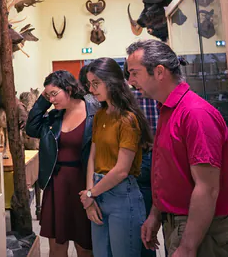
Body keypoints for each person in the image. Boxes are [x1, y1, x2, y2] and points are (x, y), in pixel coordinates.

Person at [126, 40, 228, 257]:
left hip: (200, 230)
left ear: (159, 72)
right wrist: (155, 215)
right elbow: (169, 173)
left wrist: (187, 247)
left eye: (134, 73)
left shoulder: (195, 114)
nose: (130, 81)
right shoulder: (169, 110)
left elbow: (207, 188)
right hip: (177, 224)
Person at [79, 57, 154, 257]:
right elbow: (92, 157)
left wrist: (90, 194)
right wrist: (89, 194)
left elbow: (121, 170)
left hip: (122, 196)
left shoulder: (127, 119)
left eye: (96, 83)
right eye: (89, 84)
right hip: (97, 192)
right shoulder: (100, 115)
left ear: (111, 81)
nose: (91, 89)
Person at [26, 70, 99, 257]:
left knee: (85, 245)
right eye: (48, 95)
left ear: (69, 88)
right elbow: (32, 128)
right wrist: (42, 99)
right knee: (57, 246)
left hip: (83, 182)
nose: (51, 99)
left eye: (54, 94)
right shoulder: (54, 116)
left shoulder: (93, 111)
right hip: (56, 183)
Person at [125, 62, 160, 257]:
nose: (131, 80)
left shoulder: (131, 99)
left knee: (142, 218)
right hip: (159, 155)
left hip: (142, 157)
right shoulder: (158, 98)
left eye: (134, 74)